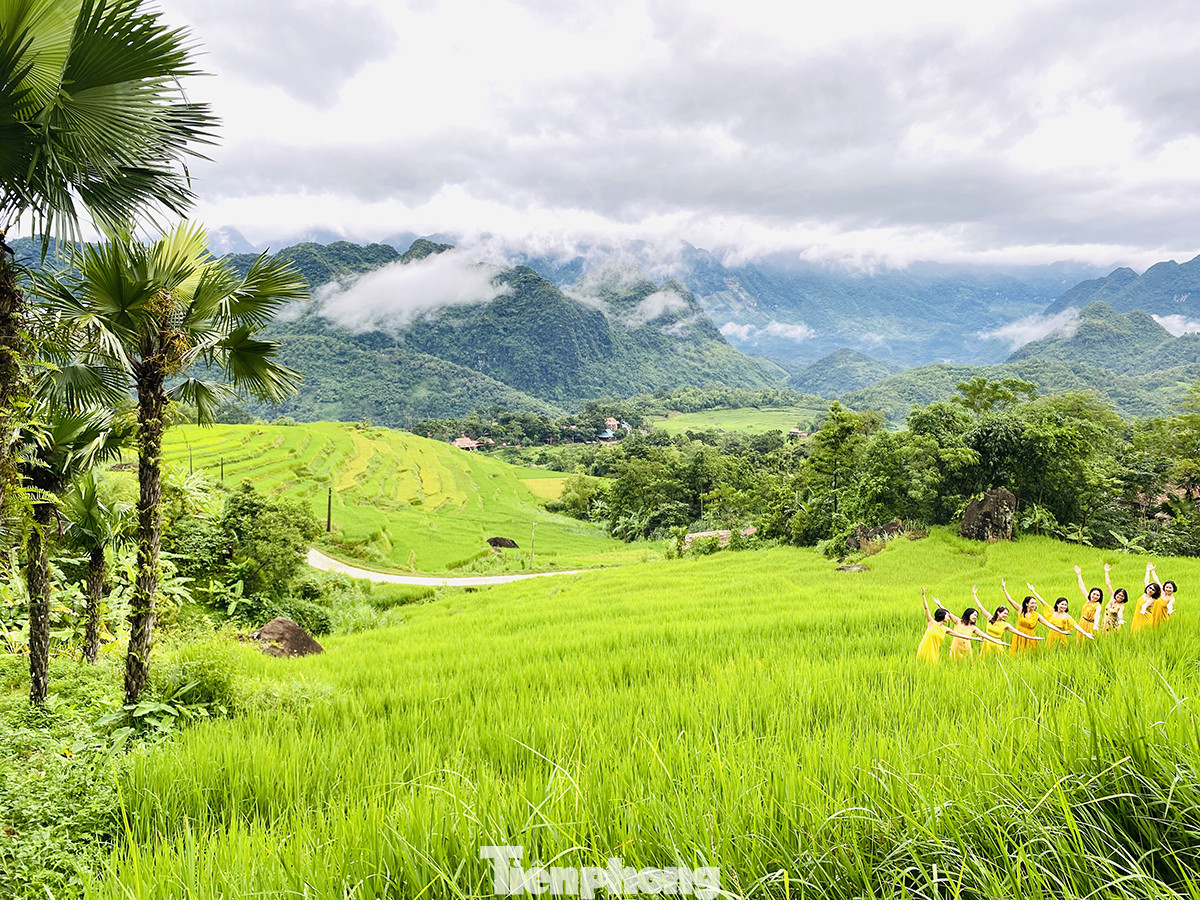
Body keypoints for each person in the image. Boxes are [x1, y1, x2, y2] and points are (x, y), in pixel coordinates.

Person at [917, 588, 989, 662]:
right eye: (947, 616)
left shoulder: (945, 629)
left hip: (935, 651)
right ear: (943, 615)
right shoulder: (931, 623)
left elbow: (960, 635)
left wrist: (975, 639)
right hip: (924, 648)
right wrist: (923, 595)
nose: (949, 617)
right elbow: (926, 608)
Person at [1001, 579, 1070, 654]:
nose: (1034, 605)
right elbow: (1010, 600)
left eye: (1035, 603)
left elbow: (1048, 624)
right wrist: (1004, 589)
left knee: (1029, 654)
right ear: (1027, 604)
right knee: (1018, 653)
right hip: (1019, 635)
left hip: (1031, 636)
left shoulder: (1037, 615)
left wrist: (1061, 631)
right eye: (1032, 603)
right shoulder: (1020, 610)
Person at [973, 586, 1039, 657]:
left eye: (1006, 614)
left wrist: (1032, 638)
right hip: (987, 644)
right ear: (998, 613)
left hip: (997, 645)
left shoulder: (1005, 625)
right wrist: (974, 595)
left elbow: (1018, 632)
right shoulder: (989, 618)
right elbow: (980, 606)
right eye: (1004, 613)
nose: (1005, 616)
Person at [1026, 584, 1095, 649]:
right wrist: (1033, 591)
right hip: (1052, 635)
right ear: (1057, 604)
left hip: (1061, 636)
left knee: (1062, 650)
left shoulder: (1067, 616)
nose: (1064, 606)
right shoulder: (1052, 611)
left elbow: (1076, 625)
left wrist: (1085, 633)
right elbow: (1042, 601)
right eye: (1062, 604)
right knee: (1050, 650)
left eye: (1065, 605)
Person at [941, 596, 1010, 659]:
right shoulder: (958, 621)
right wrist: (940, 605)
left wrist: (999, 642)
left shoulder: (973, 627)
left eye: (976, 616)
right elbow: (949, 613)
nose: (975, 617)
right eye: (974, 615)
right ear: (968, 614)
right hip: (956, 649)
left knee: (968, 665)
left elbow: (985, 635)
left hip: (967, 650)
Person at [1073, 565, 1103, 638]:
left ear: (1100, 597)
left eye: (1097, 595)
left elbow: (1097, 614)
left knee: (1088, 641)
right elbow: (1082, 587)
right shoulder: (1088, 600)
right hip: (1082, 622)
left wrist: (1096, 623)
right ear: (1091, 594)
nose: (1095, 596)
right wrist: (1079, 574)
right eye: (1094, 594)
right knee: (1079, 640)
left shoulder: (1098, 606)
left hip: (1090, 625)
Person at [1103, 564, 1130, 632]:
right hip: (1105, 623)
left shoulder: (1121, 606)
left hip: (1114, 625)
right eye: (1119, 595)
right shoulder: (1112, 597)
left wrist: (1120, 619)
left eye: (1122, 596)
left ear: (1124, 598)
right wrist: (1106, 572)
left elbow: (1120, 613)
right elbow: (1108, 584)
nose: (1120, 597)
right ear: (1116, 594)